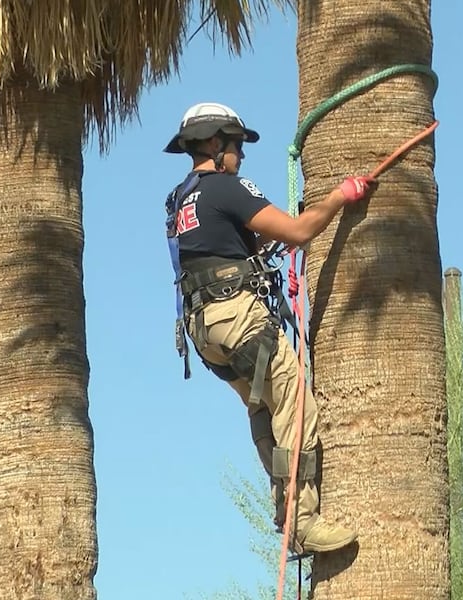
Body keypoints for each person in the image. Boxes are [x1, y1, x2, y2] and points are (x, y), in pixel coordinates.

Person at [162, 102, 375, 554]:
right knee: (296, 405)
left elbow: (240, 243)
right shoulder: (226, 187)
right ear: (217, 143)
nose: (241, 154)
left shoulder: (184, 197)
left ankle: (284, 506)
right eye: (237, 145)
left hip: (205, 331)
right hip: (237, 317)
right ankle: (302, 518)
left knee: (263, 408)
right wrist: (340, 196)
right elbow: (298, 233)